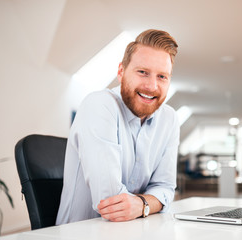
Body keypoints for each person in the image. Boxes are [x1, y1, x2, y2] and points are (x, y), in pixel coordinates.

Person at [56, 29, 179, 224]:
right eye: (143, 72)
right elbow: (111, 201)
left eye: (162, 76)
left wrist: (141, 205)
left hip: (137, 230)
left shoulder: (169, 119)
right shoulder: (99, 104)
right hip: (82, 234)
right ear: (121, 72)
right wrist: (150, 203)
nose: (152, 86)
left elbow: (165, 188)